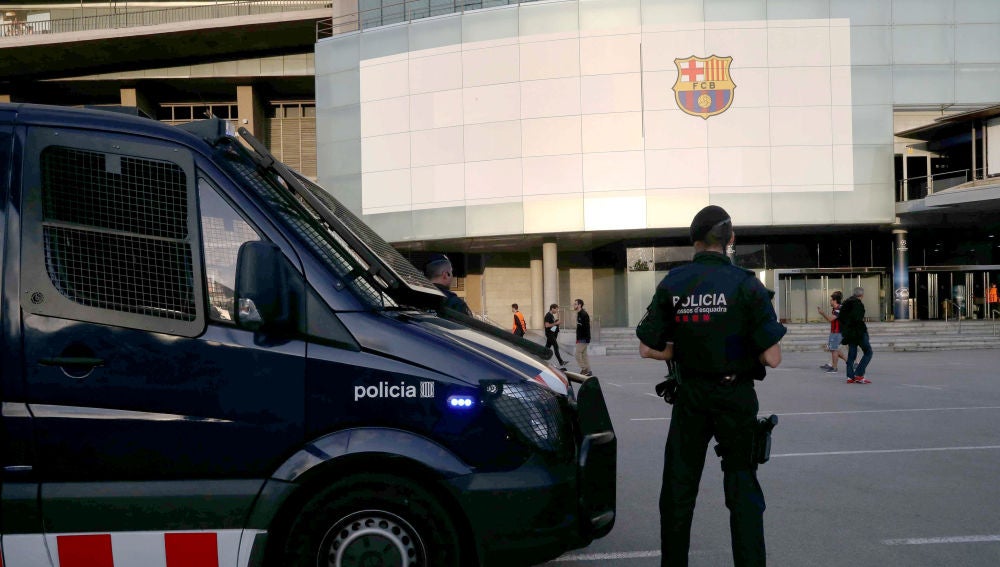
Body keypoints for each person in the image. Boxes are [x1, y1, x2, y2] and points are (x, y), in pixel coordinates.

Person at [636, 205, 786, 567]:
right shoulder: (747, 284)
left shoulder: (673, 283)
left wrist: (685, 350)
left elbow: (647, 347)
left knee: (678, 489)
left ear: (695, 241)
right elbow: (773, 358)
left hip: (690, 396)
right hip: (735, 396)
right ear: (730, 239)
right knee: (742, 488)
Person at [839, 286, 872, 384]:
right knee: (868, 352)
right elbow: (857, 319)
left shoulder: (845, 303)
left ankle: (850, 376)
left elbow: (841, 318)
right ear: (862, 295)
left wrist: (845, 331)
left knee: (852, 355)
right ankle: (859, 374)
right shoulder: (858, 304)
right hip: (858, 332)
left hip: (849, 333)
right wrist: (863, 331)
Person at [817, 290, 848, 374]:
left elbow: (830, 319)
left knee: (834, 349)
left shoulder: (839, 309)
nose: (830, 301)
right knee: (834, 349)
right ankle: (849, 362)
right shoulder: (836, 309)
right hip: (835, 332)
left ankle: (834, 368)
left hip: (837, 332)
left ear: (834, 300)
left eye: (831, 300)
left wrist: (822, 313)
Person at [543, 304, 568, 370]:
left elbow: (552, 326)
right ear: (552, 309)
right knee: (556, 346)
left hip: (552, 333)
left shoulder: (551, 316)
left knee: (547, 347)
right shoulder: (548, 315)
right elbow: (547, 325)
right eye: (556, 309)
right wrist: (556, 323)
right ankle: (561, 362)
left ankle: (540, 357)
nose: (557, 310)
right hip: (549, 334)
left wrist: (556, 323)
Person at [573, 298, 592, 377]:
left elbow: (587, 327)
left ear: (579, 305)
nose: (574, 305)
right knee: (584, 355)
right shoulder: (579, 313)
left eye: (575, 304)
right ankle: (588, 371)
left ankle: (584, 369)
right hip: (581, 338)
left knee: (577, 354)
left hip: (583, 338)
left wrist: (587, 338)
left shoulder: (584, 314)